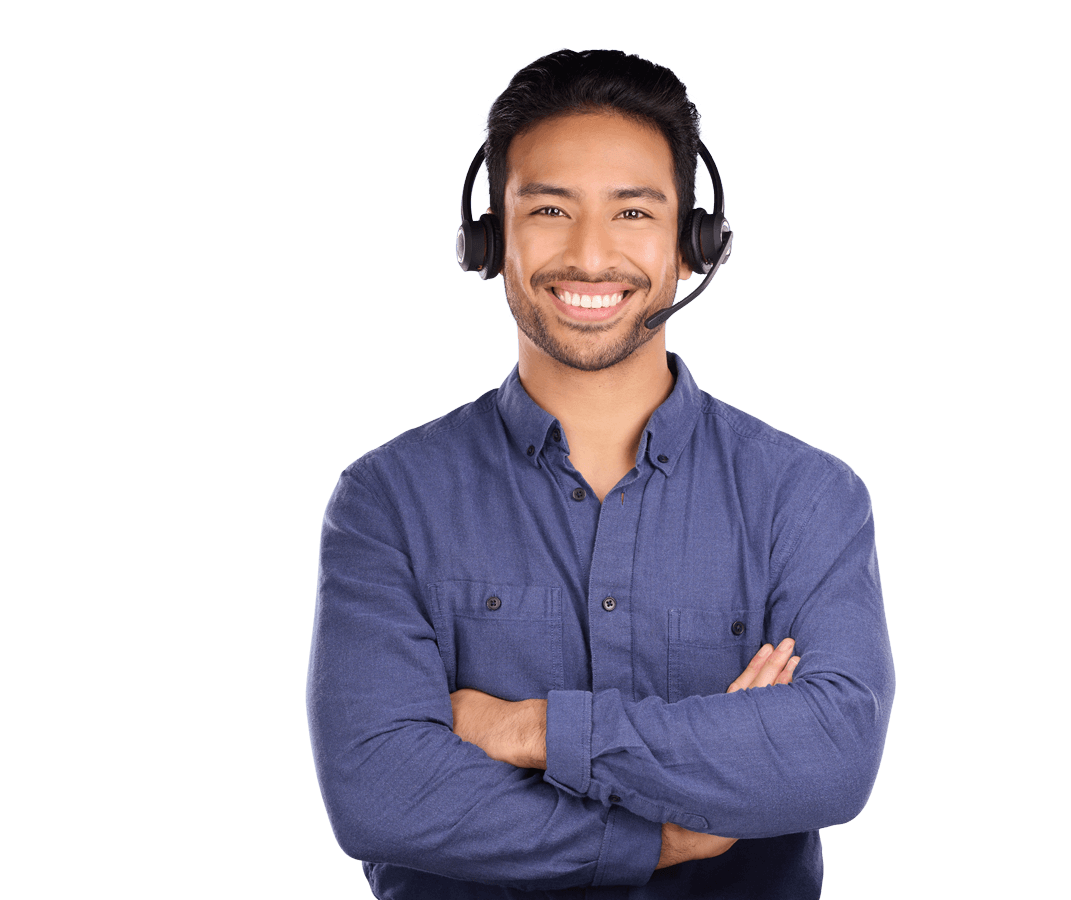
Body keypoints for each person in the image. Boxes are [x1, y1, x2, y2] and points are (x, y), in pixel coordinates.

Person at [307, 47, 895, 899]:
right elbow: (379, 792)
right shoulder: (387, 499)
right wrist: (662, 836)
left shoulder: (808, 496)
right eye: (549, 208)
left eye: (632, 213)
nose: (589, 256)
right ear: (489, 239)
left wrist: (531, 730)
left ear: (694, 246)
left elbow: (833, 758)